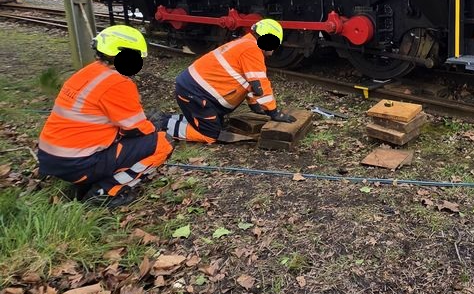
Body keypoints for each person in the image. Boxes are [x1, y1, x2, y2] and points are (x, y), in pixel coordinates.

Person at [37, 25, 174, 207]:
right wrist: (154, 127)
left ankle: (88, 180)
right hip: (78, 163)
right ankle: (105, 192)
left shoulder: (87, 72)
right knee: (163, 143)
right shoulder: (117, 83)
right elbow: (137, 129)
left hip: (51, 157)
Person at [162, 18, 296, 143]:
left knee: (215, 124)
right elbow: (260, 85)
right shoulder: (252, 50)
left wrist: (255, 103)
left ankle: (167, 119)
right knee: (210, 135)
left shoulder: (246, 44)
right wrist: (274, 112)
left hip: (194, 90)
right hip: (195, 93)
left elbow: (250, 82)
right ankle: (161, 125)